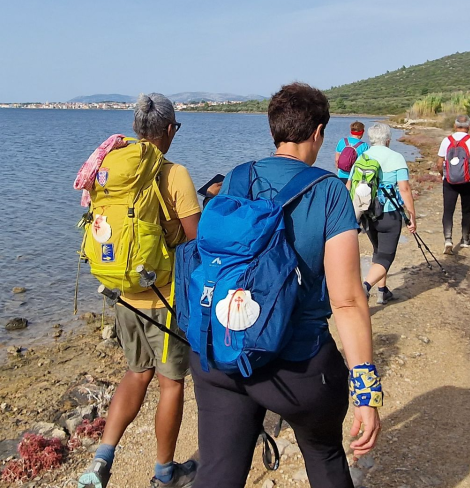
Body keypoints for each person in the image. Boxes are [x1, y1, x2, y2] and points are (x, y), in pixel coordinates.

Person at [191, 83, 379, 488]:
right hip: (299, 365)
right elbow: (346, 301)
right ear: (318, 133)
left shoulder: (237, 178)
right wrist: (366, 392)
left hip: (223, 350)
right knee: (325, 456)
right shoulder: (330, 191)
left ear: (273, 130)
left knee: (217, 475)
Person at [78, 94, 200, 488]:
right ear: (168, 130)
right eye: (175, 129)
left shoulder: (109, 167)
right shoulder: (172, 173)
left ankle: (101, 459)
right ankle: (165, 472)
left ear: (135, 129)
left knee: (135, 373)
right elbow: (195, 239)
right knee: (171, 383)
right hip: (164, 297)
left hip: (120, 292)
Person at [357, 122, 417, 304]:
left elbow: (351, 184)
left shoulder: (362, 156)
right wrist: (412, 216)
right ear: (388, 140)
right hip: (390, 214)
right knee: (386, 256)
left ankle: (382, 291)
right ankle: (364, 288)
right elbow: (404, 189)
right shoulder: (396, 157)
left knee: (378, 251)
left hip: (368, 215)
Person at [436, 115, 470, 255]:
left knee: (448, 211)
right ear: (469, 126)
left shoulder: (446, 140)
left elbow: (439, 163)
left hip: (449, 181)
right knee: (466, 211)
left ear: (455, 126)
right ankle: (465, 240)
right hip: (469, 182)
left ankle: (448, 240)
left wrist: (442, 175)